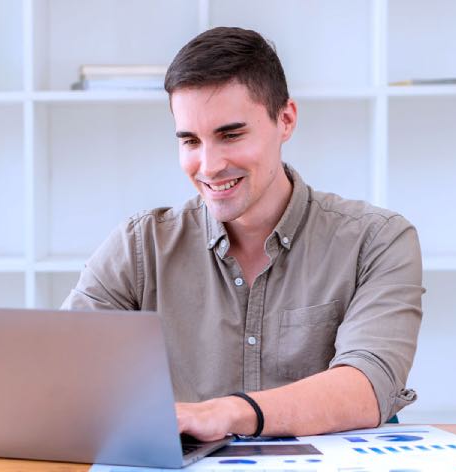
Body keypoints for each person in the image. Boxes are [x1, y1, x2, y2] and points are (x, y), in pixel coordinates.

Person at [62, 26, 424, 441]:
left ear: (285, 119)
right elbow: (67, 372)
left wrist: (230, 413)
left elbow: (368, 386)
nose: (209, 165)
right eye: (190, 141)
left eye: (230, 135)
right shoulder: (140, 245)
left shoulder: (378, 240)